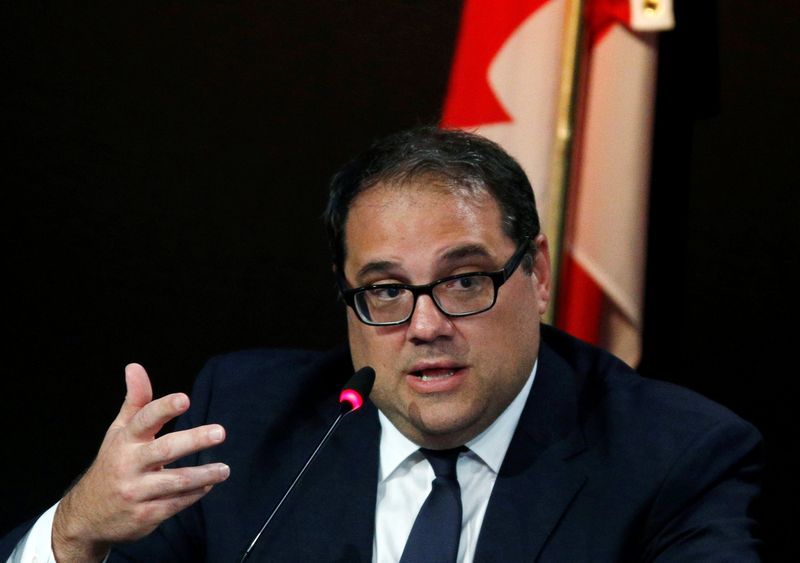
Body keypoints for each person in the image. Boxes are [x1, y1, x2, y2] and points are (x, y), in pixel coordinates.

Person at [2, 126, 763, 562]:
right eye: (388, 291)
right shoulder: (245, 420)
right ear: (348, 295)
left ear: (534, 273)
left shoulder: (674, 456)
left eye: (464, 281)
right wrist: (77, 532)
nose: (426, 325)